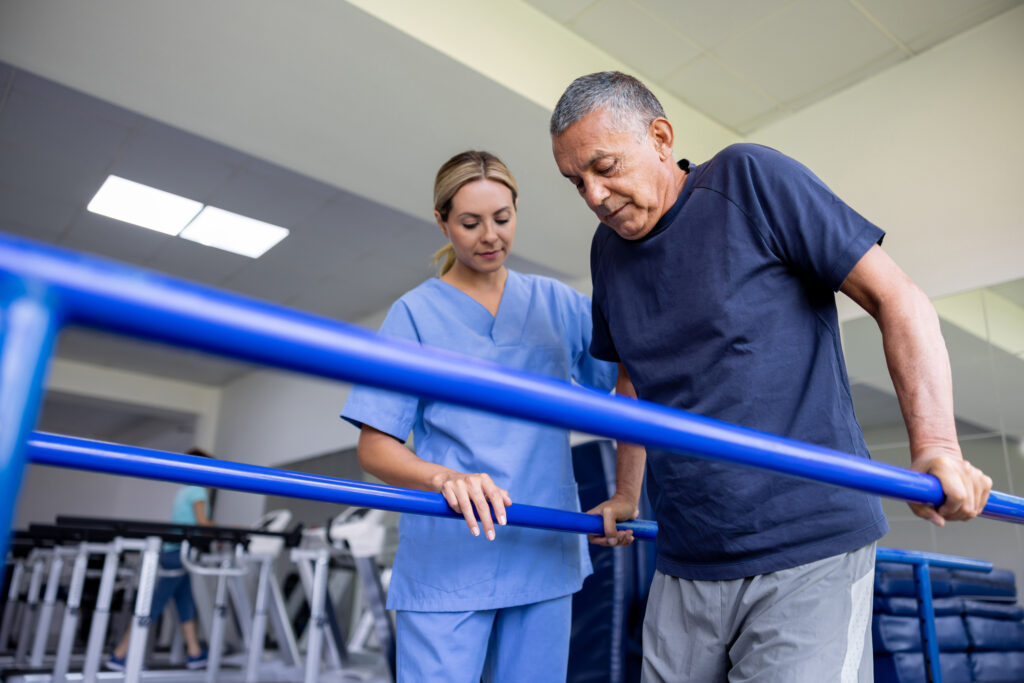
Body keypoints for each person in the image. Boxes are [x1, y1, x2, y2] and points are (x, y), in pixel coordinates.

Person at [549, 71, 993, 682]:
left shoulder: (747, 180)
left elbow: (900, 299)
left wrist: (938, 448)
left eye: (605, 167)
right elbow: (632, 377)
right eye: (577, 182)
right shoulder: (607, 252)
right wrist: (628, 495)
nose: (595, 195)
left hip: (807, 547)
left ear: (659, 137)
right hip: (687, 558)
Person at [340, 150, 618, 682]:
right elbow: (374, 446)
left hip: (543, 547)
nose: (489, 236)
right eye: (469, 223)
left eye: (502, 218)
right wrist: (445, 477)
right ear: (443, 222)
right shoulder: (414, 315)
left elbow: (625, 379)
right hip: (451, 556)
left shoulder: (558, 304)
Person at [107, 448, 213, 671]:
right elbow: (202, 523)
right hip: (179, 553)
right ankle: (120, 653)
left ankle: (194, 652)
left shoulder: (183, 491)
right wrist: (231, 530)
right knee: (154, 602)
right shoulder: (198, 491)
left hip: (175, 551)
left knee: (185, 602)